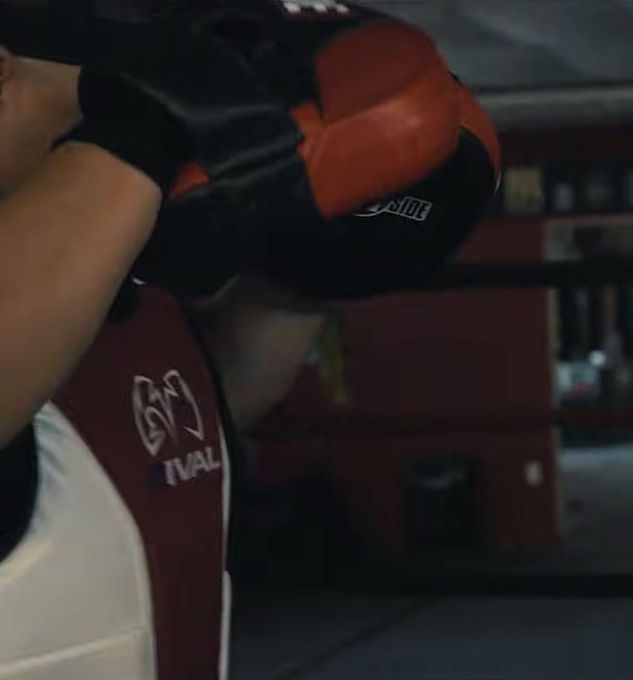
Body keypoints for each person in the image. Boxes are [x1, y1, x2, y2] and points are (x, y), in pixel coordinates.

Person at [0, 2, 497, 678]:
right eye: (95, 96)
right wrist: (148, 127)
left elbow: (231, 389)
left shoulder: (141, 314)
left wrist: (338, 218)